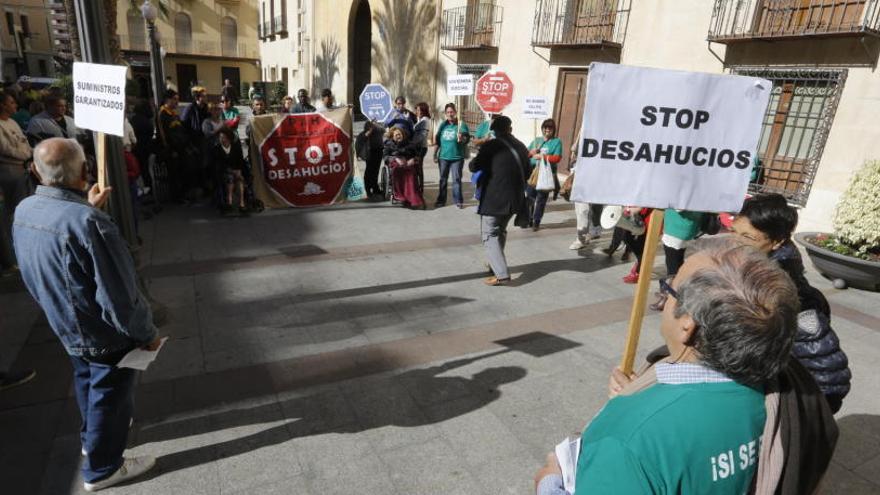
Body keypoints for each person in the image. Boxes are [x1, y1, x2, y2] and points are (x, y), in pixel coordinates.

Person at [534, 238, 802, 494]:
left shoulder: (628, 441)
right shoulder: (774, 389)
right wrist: (649, 398)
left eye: (671, 289)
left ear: (688, 325)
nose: (665, 294)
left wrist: (549, 482)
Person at [13, 138, 160, 491]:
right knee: (110, 391)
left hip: (63, 320)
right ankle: (103, 466)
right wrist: (146, 333)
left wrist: (87, 207)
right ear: (83, 172)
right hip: (99, 330)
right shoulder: (90, 223)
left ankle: (91, 439)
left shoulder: (25, 210)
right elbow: (120, 297)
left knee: (87, 380)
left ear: (36, 171)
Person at [732, 193, 851, 413]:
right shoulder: (749, 270)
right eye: (734, 232)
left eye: (748, 237)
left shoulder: (787, 294)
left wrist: (813, 413)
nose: (736, 243)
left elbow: (827, 367)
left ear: (777, 242)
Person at [469, 116, 529, 286]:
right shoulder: (521, 146)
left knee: (489, 234)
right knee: (500, 231)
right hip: (515, 199)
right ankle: (494, 264)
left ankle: (502, 274)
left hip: (495, 199)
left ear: (494, 131)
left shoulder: (491, 146)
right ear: (510, 129)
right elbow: (528, 169)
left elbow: (474, 166)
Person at [0, 91, 32, 274]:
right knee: (7, 217)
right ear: (3, 105)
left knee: (20, 213)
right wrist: (24, 153)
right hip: (6, 172)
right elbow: (6, 148)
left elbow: (23, 143)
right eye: (11, 102)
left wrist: (25, 152)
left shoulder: (12, 122)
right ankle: (10, 258)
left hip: (20, 171)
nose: (15, 106)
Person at [649, 209, 705, 311]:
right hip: (680, 225)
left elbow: (681, 204)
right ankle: (674, 294)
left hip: (678, 227)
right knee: (676, 263)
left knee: (673, 267)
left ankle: (668, 298)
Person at [526, 119, 562, 231]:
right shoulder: (537, 140)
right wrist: (531, 153)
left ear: (553, 130)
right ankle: (529, 218)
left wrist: (543, 157)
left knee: (541, 199)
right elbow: (527, 154)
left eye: (550, 128)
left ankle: (536, 221)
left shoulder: (556, 142)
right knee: (530, 197)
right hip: (533, 173)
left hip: (546, 174)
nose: (547, 130)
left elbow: (557, 158)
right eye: (545, 127)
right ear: (542, 128)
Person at [434, 102, 470, 208]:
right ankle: (441, 200)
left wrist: (461, 137)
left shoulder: (461, 124)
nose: (450, 114)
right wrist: (435, 154)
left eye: (452, 112)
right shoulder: (443, 124)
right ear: (445, 113)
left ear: (455, 112)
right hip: (443, 157)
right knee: (443, 179)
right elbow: (438, 140)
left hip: (457, 158)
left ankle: (458, 201)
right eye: (448, 112)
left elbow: (466, 139)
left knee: (456, 180)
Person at [158, 90, 190, 203]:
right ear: (168, 100)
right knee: (174, 175)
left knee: (183, 172)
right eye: (175, 99)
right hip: (172, 151)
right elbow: (163, 135)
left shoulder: (174, 113)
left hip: (181, 149)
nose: (177, 102)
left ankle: (183, 194)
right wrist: (170, 149)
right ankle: (176, 198)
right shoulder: (162, 114)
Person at [383, 125, 424, 209]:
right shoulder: (389, 145)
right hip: (395, 163)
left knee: (411, 173)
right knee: (398, 171)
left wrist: (413, 159)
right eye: (396, 135)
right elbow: (385, 157)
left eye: (400, 134)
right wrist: (395, 158)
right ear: (392, 136)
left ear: (403, 134)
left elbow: (417, 156)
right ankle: (400, 195)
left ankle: (412, 198)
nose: (398, 136)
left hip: (408, 163)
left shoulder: (410, 144)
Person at [211, 127, 248, 213]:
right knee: (230, 177)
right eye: (220, 137)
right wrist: (232, 171)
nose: (222, 139)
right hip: (223, 172)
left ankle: (242, 203)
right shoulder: (217, 149)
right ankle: (230, 201)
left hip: (236, 171)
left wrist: (238, 170)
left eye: (223, 137)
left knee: (239, 179)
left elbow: (240, 161)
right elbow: (218, 164)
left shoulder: (236, 148)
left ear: (229, 138)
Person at [356, 120, 385, 198]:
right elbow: (362, 139)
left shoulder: (378, 130)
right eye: (369, 125)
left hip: (378, 151)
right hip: (370, 153)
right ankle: (368, 189)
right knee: (369, 172)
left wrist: (377, 124)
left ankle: (375, 188)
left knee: (375, 171)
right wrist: (370, 130)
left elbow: (383, 130)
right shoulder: (364, 134)